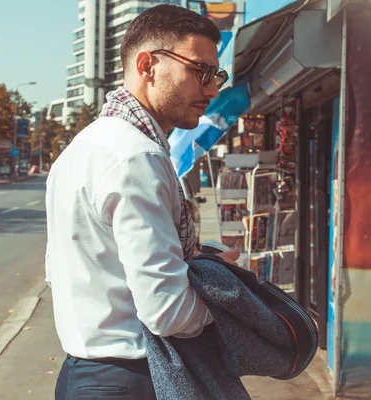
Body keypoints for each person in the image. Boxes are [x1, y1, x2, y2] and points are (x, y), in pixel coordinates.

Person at [46, 5, 236, 399]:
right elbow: (168, 311)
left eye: (216, 75)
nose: (213, 90)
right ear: (147, 64)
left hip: (83, 374)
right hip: (134, 378)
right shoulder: (138, 157)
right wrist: (227, 296)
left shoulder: (82, 148)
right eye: (199, 71)